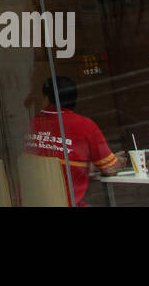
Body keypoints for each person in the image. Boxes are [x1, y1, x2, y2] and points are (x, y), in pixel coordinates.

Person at [23, 77, 122, 206]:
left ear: (46, 99)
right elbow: (109, 169)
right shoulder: (85, 126)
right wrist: (118, 161)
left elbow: (59, 164)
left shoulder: (31, 125)